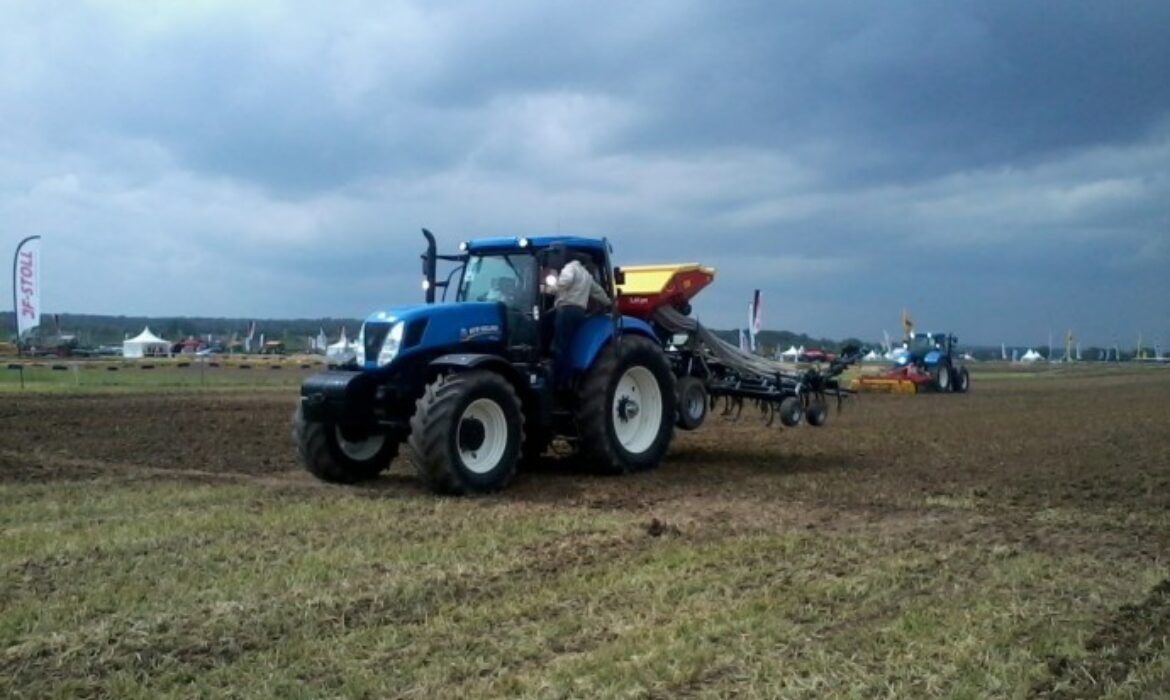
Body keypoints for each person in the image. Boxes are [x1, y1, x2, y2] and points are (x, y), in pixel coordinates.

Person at [544, 255, 611, 389]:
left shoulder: (570, 268)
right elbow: (598, 292)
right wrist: (609, 302)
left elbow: (565, 281)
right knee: (571, 345)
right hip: (579, 312)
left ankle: (558, 380)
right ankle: (569, 378)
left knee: (560, 346)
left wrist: (550, 289)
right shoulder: (586, 275)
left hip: (566, 311)